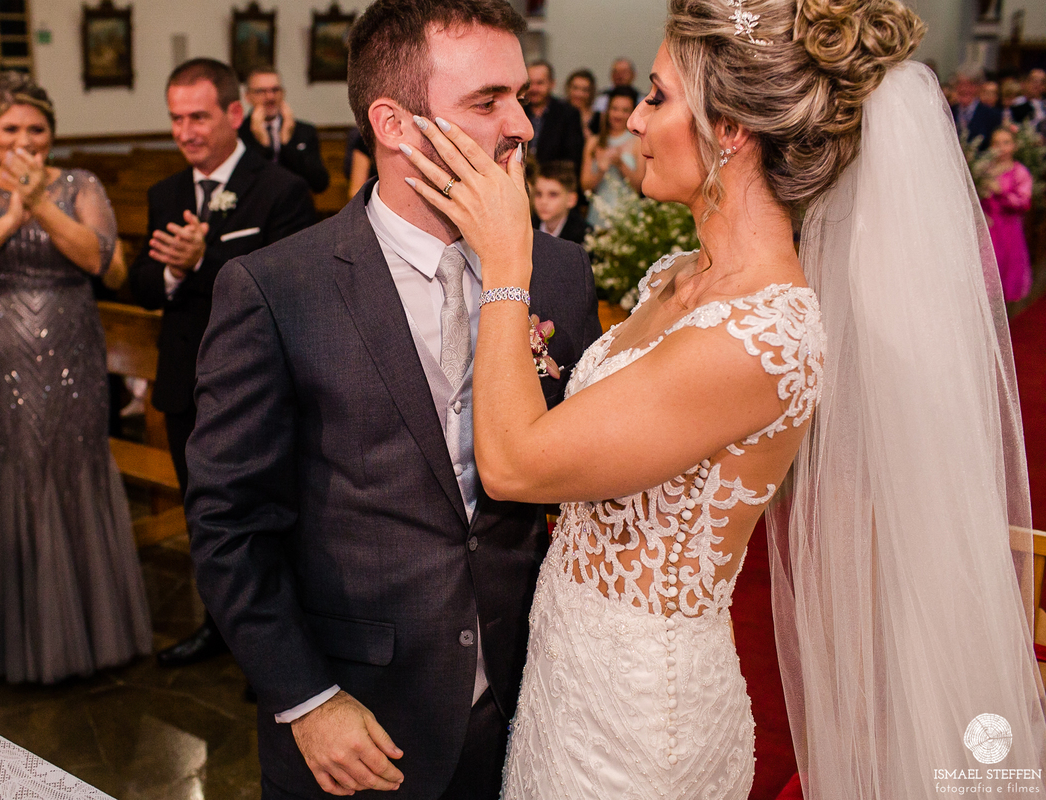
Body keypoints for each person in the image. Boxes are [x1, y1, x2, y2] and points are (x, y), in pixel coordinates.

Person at [404, 0, 1046, 797]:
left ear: (733, 128)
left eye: (658, 96)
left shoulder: (758, 335)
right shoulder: (681, 277)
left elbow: (512, 465)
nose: (634, 121)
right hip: (570, 675)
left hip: (638, 723)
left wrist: (506, 260)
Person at [184, 0, 603, 796]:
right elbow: (228, 522)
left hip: (527, 702)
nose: (521, 125)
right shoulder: (278, 289)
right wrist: (305, 699)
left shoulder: (559, 275)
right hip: (359, 714)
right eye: (486, 102)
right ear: (395, 124)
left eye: (521, 95)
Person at [0, 73, 151, 684]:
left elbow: (106, 264)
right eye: (11, 130)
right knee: (17, 464)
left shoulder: (81, 185)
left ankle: (95, 632)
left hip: (72, 344)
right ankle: (24, 638)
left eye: (37, 128)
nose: (26, 140)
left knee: (75, 460)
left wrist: (43, 204)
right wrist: (11, 215)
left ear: (51, 132)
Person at [128, 58, 316, 669]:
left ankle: (277, 650)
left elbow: (288, 289)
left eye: (198, 117)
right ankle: (220, 627)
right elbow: (139, 285)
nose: (185, 132)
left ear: (234, 114)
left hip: (266, 383)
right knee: (207, 518)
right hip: (189, 381)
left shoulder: (280, 190)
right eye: (176, 119)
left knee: (269, 514)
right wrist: (172, 270)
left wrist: (202, 262)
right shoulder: (167, 193)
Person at [239, 65, 331, 194]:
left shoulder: (304, 131)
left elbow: (320, 184)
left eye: (275, 90)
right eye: (261, 91)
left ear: (283, 93)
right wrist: (263, 146)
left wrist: (288, 143)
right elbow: (243, 181)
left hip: (294, 206)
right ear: (247, 97)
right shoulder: (238, 133)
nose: (270, 97)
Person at [982, 126, 1035, 302]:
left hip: (1008, 231)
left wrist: (1001, 193)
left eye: (1006, 143)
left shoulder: (1019, 172)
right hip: (987, 230)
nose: (1001, 148)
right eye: (997, 143)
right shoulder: (984, 170)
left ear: (1014, 146)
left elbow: (1024, 202)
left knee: (1006, 273)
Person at [582, 85, 645, 229]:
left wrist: (620, 163)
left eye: (625, 110)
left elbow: (639, 187)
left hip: (629, 215)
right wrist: (601, 170)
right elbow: (585, 186)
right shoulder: (594, 141)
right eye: (614, 109)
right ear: (607, 110)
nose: (618, 114)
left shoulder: (638, 142)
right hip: (599, 215)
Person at [522, 60, 585, 180]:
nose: (534, 88)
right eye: (530, 83)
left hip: (555, 184)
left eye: (540, 83)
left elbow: (572, 159)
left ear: (552, 84)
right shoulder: (518, 110)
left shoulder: (568, 114)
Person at [531, 160, 588, 245]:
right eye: (538, 194)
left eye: (553, 195)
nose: (543, 201)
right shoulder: (527, 227)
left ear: (571, 200)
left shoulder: (585, 237)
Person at [952, 67, 1002, 150]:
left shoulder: (992, 115)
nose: (964, 89)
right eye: (960, 84)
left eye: (970, 85)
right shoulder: (947, 112)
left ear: (979, 87)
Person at [564, 68, 600, 138]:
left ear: (591, 92)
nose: (579, 94)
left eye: (584, 90)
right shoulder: (558, 114)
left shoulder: (600, 119)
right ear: (568, 88)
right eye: (575, 88)